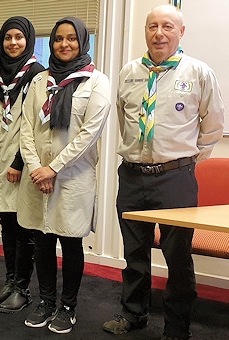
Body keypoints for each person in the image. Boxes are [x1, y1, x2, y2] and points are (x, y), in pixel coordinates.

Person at [102, 5, 224, 340]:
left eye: (167, 26)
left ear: (180, 32)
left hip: (176, 178)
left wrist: (182, 165)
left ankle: (176, 326)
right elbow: (125, 122)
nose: (159, 33)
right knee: (134, 253)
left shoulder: (198, 72)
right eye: (153, 26)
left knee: (178, 257)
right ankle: (133, 314)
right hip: (132, 176)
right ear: (146, 31)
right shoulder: (129, 72)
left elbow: (213, 128)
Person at [18, 17, 110, 334]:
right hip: (38, 179)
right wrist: (36, 168)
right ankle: (46, 300)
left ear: (82, 42)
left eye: (72, 38)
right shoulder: (39, 81)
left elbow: (88, 135)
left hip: (73, 178)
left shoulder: (97, 82)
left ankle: (68, 306)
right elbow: (26, 129)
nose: (64, 44)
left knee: (70, 244)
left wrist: (53, 168)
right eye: (58, 39)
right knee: (42, 242)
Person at [0, 17, 44, 308]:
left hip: (21, 164)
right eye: (7, 38)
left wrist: (18, 162)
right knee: (5, 222)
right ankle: (10, 281)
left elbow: (33, 125)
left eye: (19, 37)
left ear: (28, 40)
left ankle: (23, 289)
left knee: (23, 227)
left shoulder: (38, 75)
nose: (13, 43)